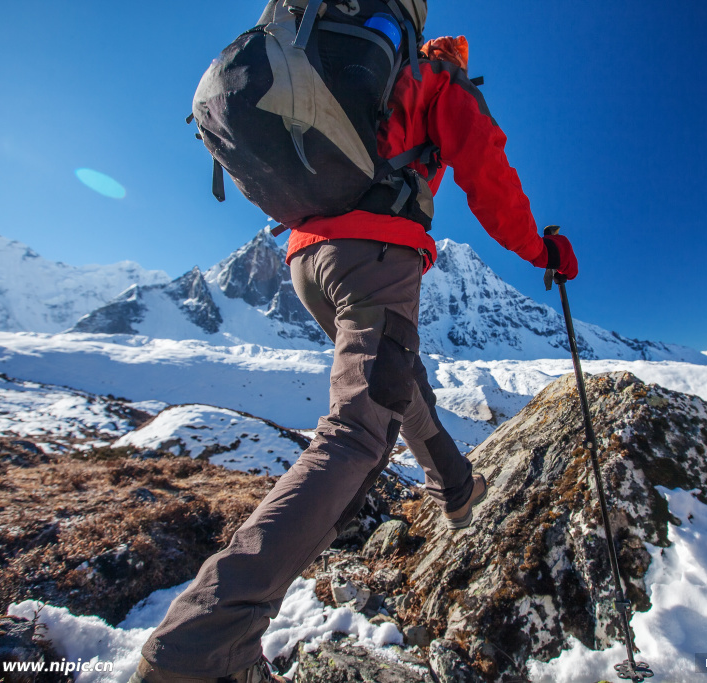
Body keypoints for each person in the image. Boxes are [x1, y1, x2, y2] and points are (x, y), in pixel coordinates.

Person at [131, 6, 578, 683]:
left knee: (395, 382)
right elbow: (490, 179)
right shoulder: (437, 80)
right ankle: (201, 645)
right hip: (374, 253)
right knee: (356, 435)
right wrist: (542, 251)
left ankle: (455, 486)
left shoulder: (350, 59)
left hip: (307, 259)